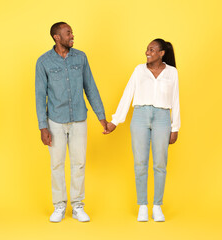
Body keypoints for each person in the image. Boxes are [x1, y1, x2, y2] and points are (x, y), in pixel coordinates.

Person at [35, 22, 107, 222]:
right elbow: (40, 96)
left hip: (78, 120)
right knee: (57, 164)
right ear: (57, 37)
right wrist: (43, 127)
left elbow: (90, 88)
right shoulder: (43, 62)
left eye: (72, 32)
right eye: (68, 33)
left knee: (79, 163)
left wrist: (101, 118)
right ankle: (59, 205)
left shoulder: (81, 58)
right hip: (55, 121)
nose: (72, 35)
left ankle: (77, 206)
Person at [105, 39, 180, 222]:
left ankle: (157, 206)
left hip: (162, 117)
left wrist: (175, 126)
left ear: (162, 53)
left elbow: (175, 99)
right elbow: (127, 94)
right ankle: (142, 206)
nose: (147, 52)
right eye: (147, 49)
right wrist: (115, 121)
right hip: (139, 116)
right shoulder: (139, 70)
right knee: (140, 162)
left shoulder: (172, 73)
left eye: (152, 49)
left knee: (160, 163)